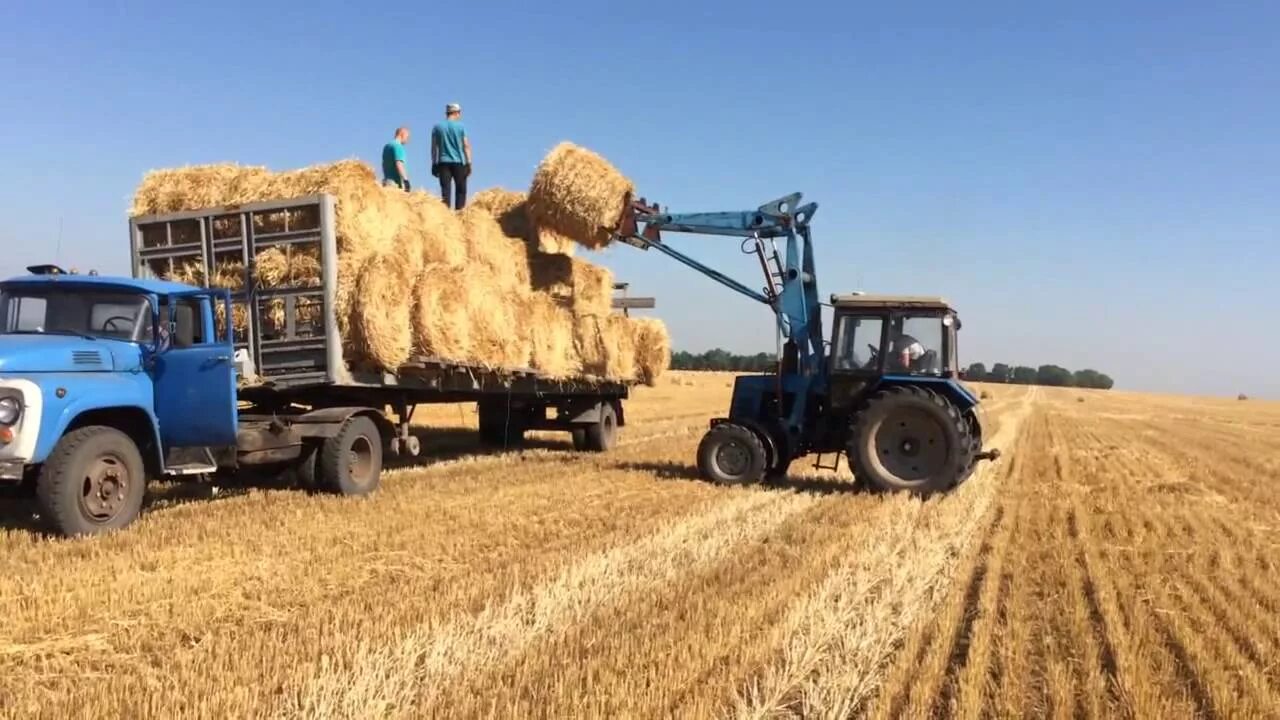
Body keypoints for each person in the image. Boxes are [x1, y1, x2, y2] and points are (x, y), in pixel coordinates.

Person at [431, 103, 472, 208]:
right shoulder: (461, 127)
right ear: (457, 113)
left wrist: (434, 164)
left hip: (443, 162)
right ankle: (459, 216)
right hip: (459, 162)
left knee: (445, 192)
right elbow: (466, 146)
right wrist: (469, 163)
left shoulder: (437, 127)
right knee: (461, 191)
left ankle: (446, 217)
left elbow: (434, 148)